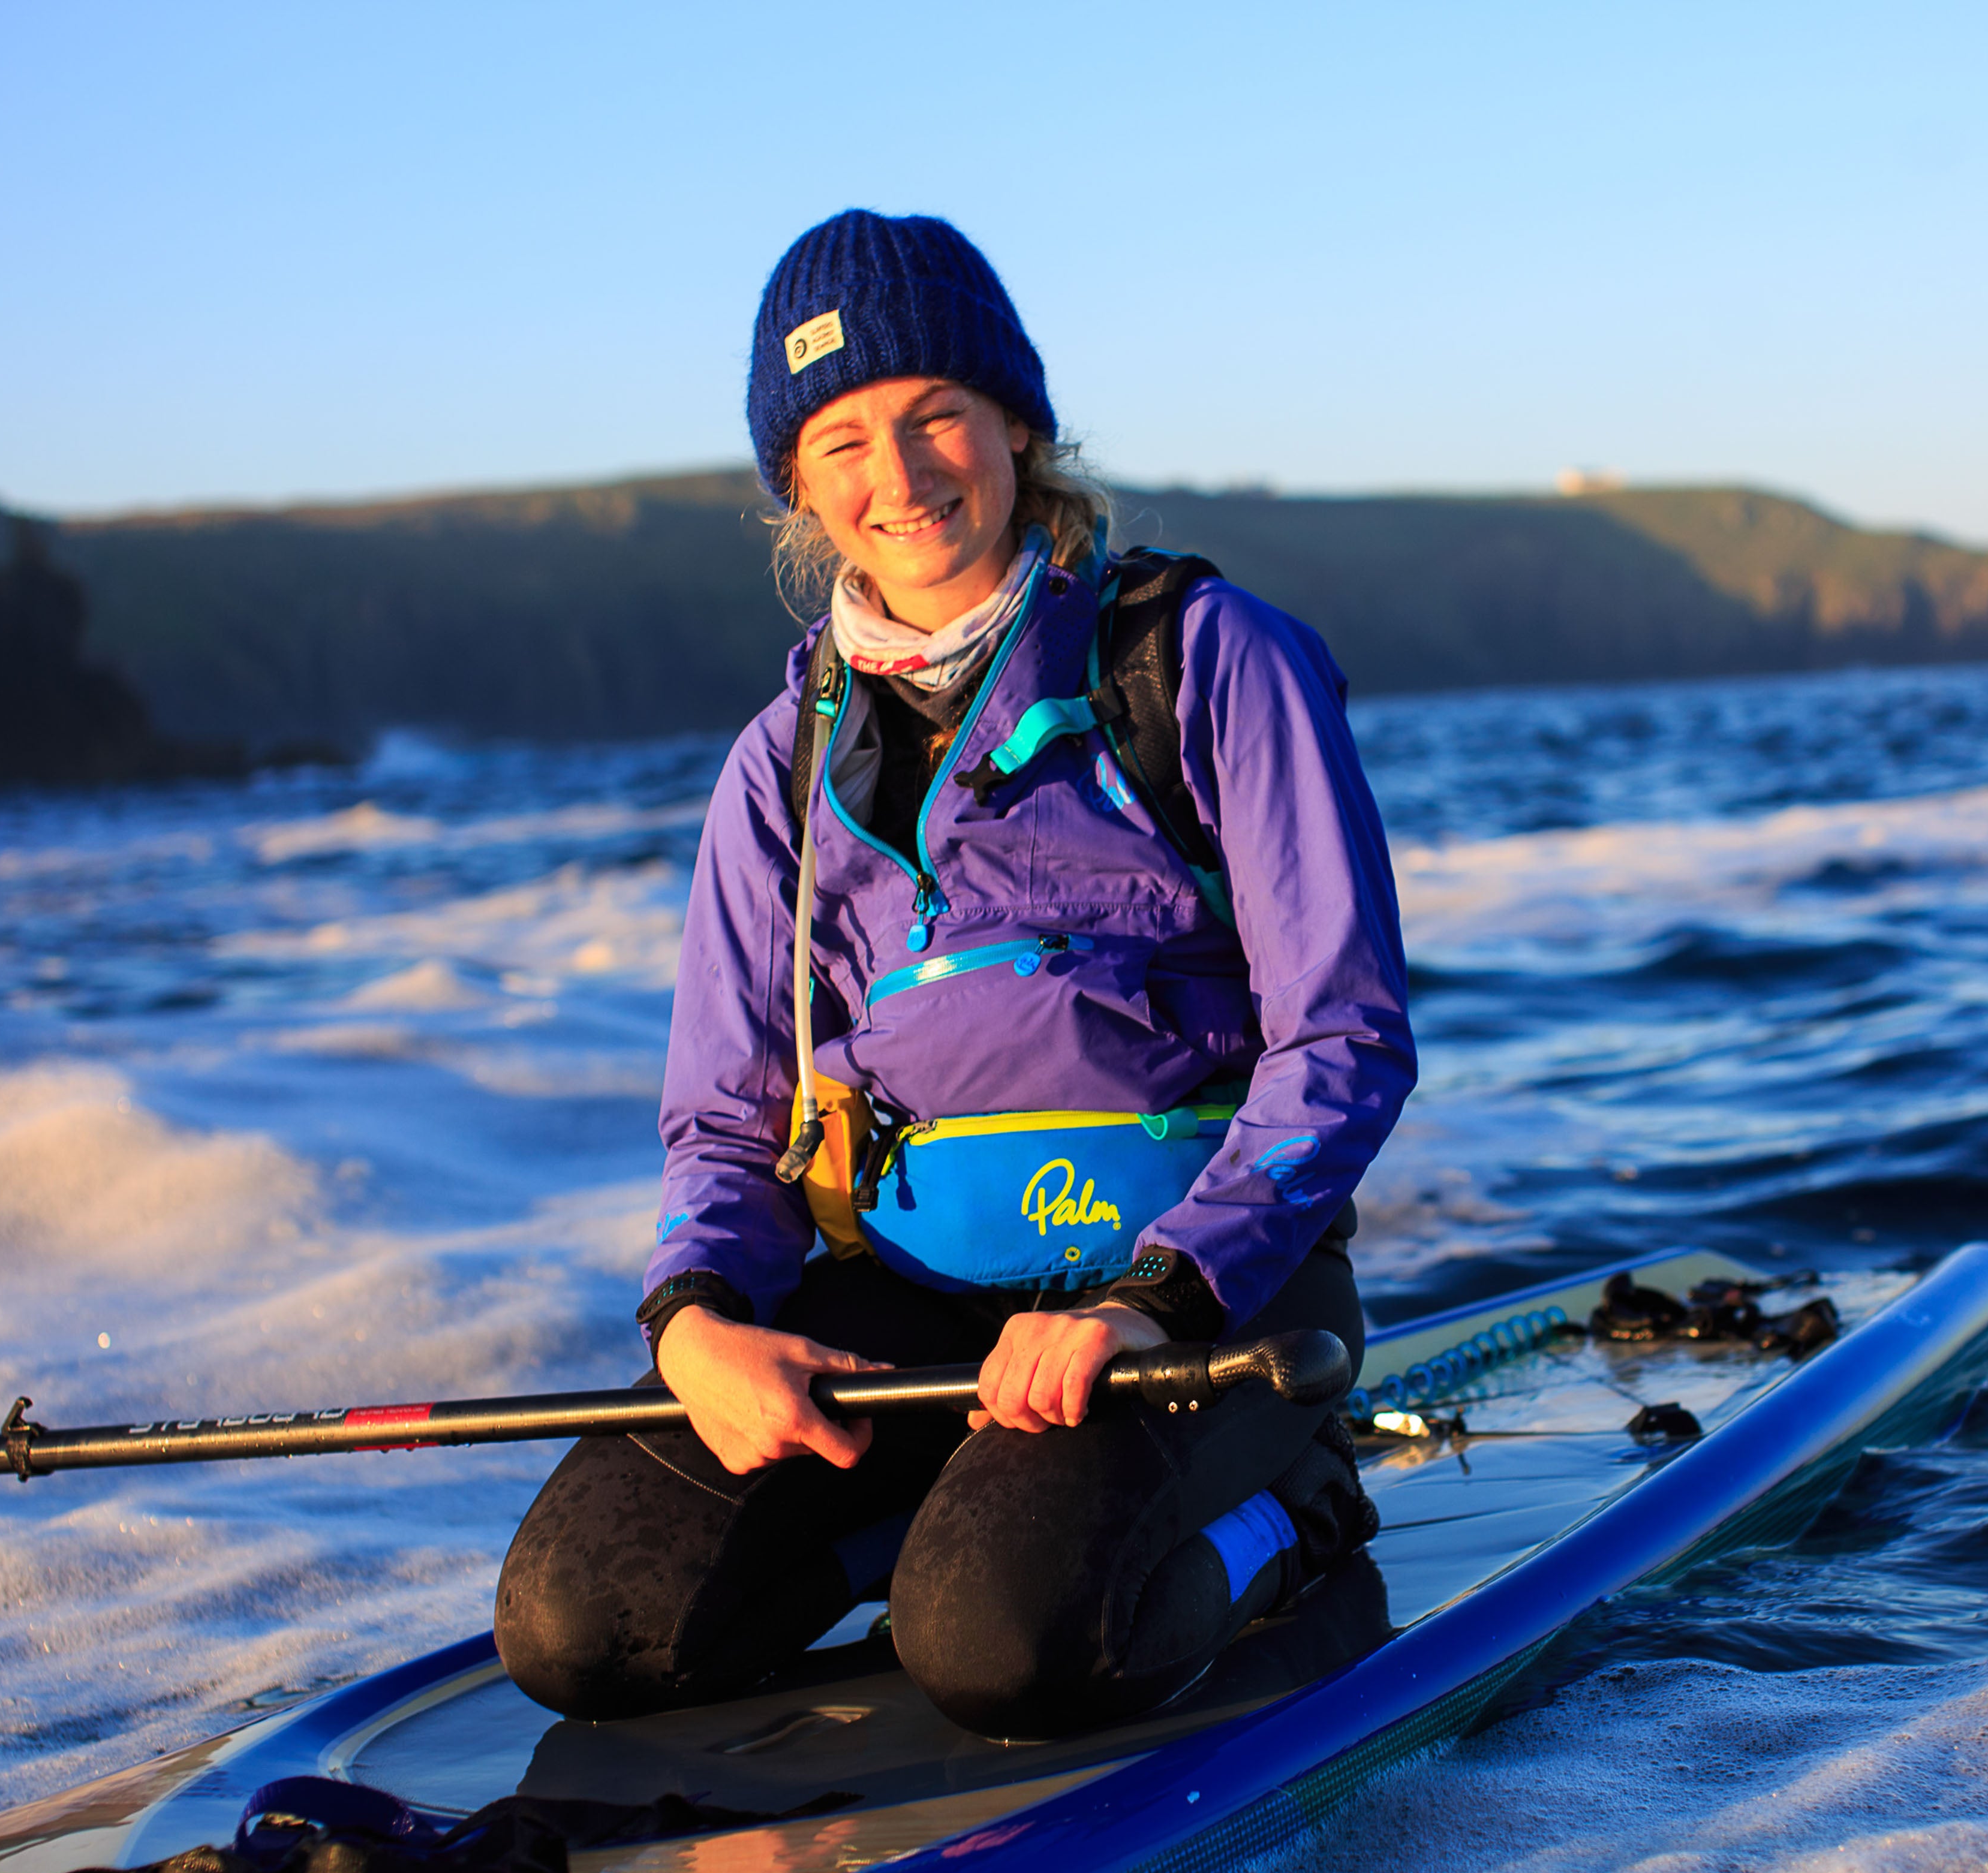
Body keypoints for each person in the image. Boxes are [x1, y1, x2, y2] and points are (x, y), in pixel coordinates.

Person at [494, 210, 1415, 1742]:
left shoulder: (1200, 658)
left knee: (999, 1650)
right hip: (903, 1321)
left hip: (1192, 1304)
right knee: (579, 1626)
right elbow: (726, 1121)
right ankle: (931, 1527)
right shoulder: (775, 767)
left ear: (1017, 429)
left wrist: (1152, 1302)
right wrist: (696, 1321)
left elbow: (1345, 1041)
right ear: (795, 484)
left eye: (935, 418)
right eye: (842, 441)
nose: (900, 477)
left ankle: (1294, 1509)